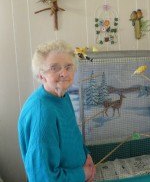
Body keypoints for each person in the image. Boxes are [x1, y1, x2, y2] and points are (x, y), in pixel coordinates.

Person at [18, 40, 96, 181]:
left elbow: (72, 133)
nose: (64, 73)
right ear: (41, 76)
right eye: (54, 68)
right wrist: (83, 174)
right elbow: (43, 178)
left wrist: (86, 155)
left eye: (68, 66)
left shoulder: (61, 95)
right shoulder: (42, 114)